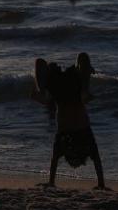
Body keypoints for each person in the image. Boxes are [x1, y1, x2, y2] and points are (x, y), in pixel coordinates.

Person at [32, 59, 106, 190]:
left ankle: (43, 93)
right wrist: (101, 185)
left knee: (81, 58)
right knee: (41, 63)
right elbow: (55, 159)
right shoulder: (77, 142)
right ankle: (44, 93)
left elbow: (96, 159)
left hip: (68, 107)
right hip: (72, 106)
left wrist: (101, 184)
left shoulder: (72, 143)